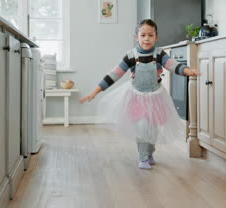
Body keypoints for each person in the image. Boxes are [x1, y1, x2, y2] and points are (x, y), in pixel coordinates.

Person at [79, 19, 200, 169]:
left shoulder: (160, 54)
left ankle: (150, 152)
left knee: (153, 128)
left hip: (156, 96)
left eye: (150, 35)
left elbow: (173, 66)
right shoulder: (131, 56)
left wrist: (189, 71)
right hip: (137, 96)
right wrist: (94, 92)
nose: (146, 39)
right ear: (137, 37)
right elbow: (114, 75)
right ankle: (142, 158)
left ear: (156, 37)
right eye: (143, 35)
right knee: (142, 126)